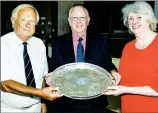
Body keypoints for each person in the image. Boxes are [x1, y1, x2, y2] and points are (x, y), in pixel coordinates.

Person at [47, 4, 120, 113]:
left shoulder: (100, 40)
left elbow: (107, 64)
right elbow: (55, 68)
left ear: (88, 20)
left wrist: (113, 71)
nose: (78, 22)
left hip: (94, 101)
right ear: (69, 21)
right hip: (67, 102)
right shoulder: (58, 43)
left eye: (82, 18)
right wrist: (51, 77)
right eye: (74, 18)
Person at [1, 4, 63, 112]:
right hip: (9, 109)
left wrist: (42, 102)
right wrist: (40, 93)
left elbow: (42, 77)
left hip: (35, 107)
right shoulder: (2, 45)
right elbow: (5, 85)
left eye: (32, 21)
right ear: (13, 20)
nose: (28, 24)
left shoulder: (39, 44)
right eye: (24, 19)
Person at [103, 1, 158, 112]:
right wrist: (115, 78)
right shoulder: (128, 47)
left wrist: (124, 89)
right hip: (128, 108)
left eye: (139, 17)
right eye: (130, 18)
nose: (134, 21)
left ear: (149, 19)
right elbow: (127, 77)